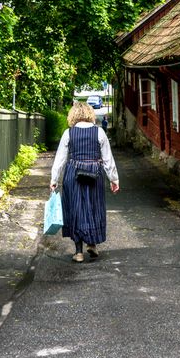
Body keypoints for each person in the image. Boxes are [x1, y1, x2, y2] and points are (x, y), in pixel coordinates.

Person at [50, 101, 120, 262]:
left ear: (73, 115)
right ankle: (92, 244)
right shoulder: (99, 132)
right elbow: (108, 159)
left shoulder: (68, 133)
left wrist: (54, 179)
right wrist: (114, 179)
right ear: (90, 114)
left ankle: (79, 252)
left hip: (73, 174)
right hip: (94, 173)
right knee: (93, 207)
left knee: (75, 209)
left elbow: (60, 159)